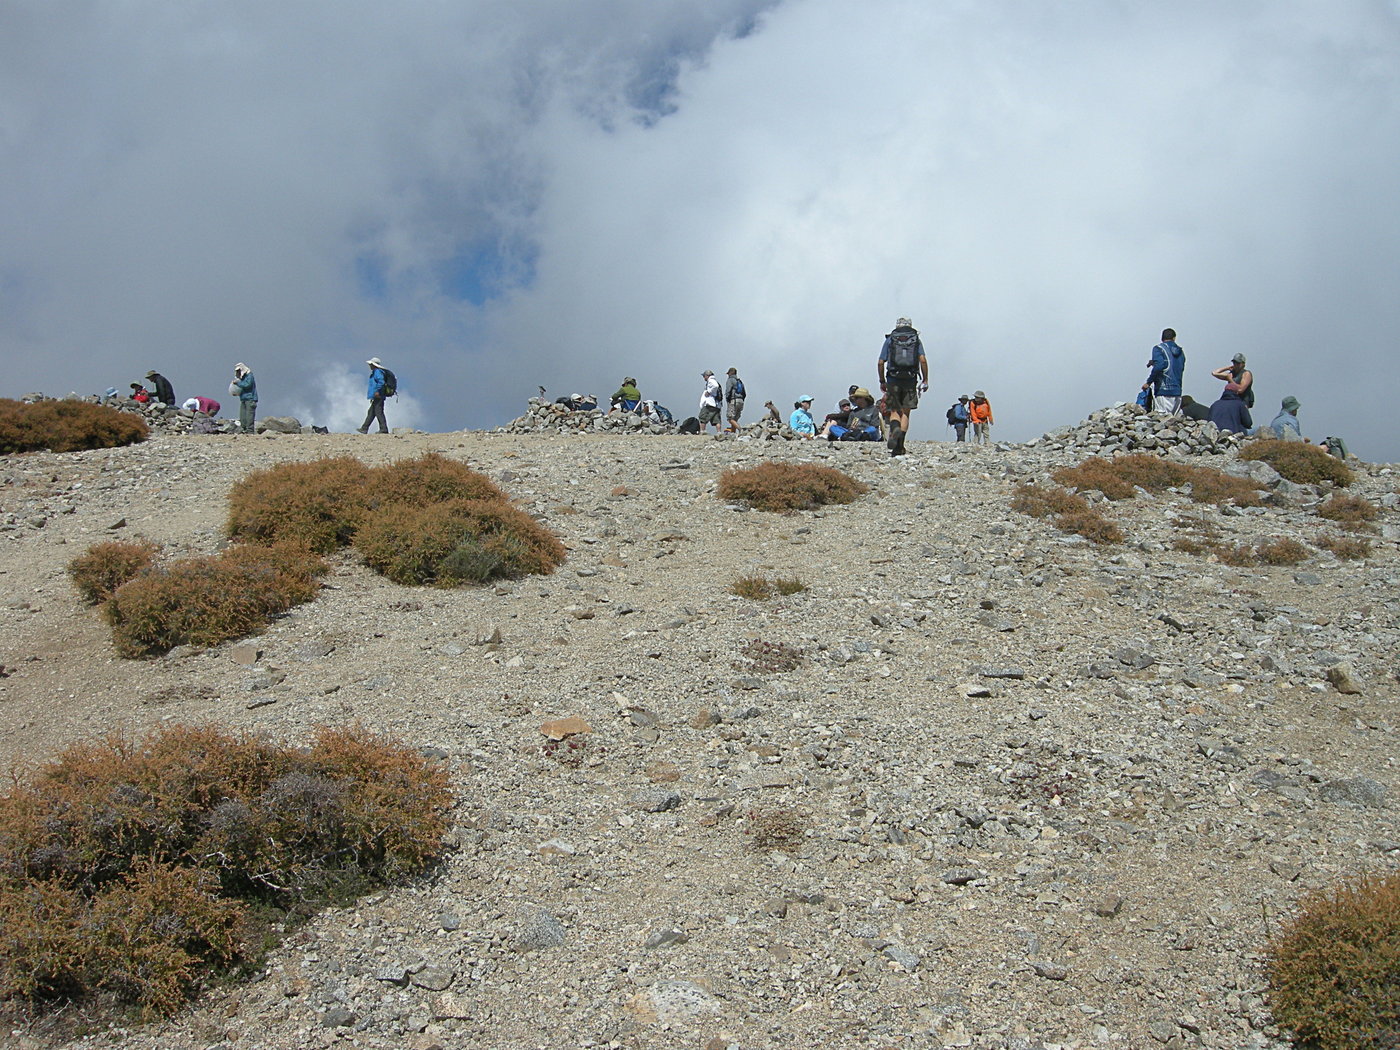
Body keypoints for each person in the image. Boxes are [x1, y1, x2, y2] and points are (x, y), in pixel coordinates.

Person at [877, 317, 928, 456]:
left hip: (893, 379)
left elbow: (881, 362)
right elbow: (922, 360)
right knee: (905, 412)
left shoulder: (890, 339)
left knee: (894, 411)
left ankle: (894, 430)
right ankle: (899, 446)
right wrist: (925, 379)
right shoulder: (916, 340)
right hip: (910, 379)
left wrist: (882, 380)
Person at [1143, 329, 1185, 415]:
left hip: (1163, 391)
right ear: (1174, 338)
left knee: (1163, 420)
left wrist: (1148, 382)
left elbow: (1159, 366)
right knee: (1174, 421)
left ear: (1162, 338)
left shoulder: (1159, 349)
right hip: (1177, 392)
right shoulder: (1181, 352)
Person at [359, 357, 390, 434]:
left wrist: (377, 391)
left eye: (370, 364)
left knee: (378, 412)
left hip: (378, 395)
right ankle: (364, 428)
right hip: (377, 396)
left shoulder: (377, 372)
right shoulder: (377, 372)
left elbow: (381, 382)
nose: (369, 366)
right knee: (371, 412)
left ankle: (383, 429)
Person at [231, 363, 258, 434]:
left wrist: (238, 384)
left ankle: (250, 431)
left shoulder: (249, 376)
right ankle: (244, 429)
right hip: (243, 399)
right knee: (242, 416)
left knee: (249, 416)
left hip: (250, 398)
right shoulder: (242, 378)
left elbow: (247, 385)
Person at [724, 368, 746, 433]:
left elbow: (728, 390)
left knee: (730, 418)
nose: (728, 375)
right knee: (735, 419)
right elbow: (744, 393)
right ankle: (733, 433)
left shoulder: (730, 380)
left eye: (728, 373)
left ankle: (740, 430)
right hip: (741, 401)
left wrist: (728, 399)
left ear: (730, 373)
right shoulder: (739, 381)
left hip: (733, 400)